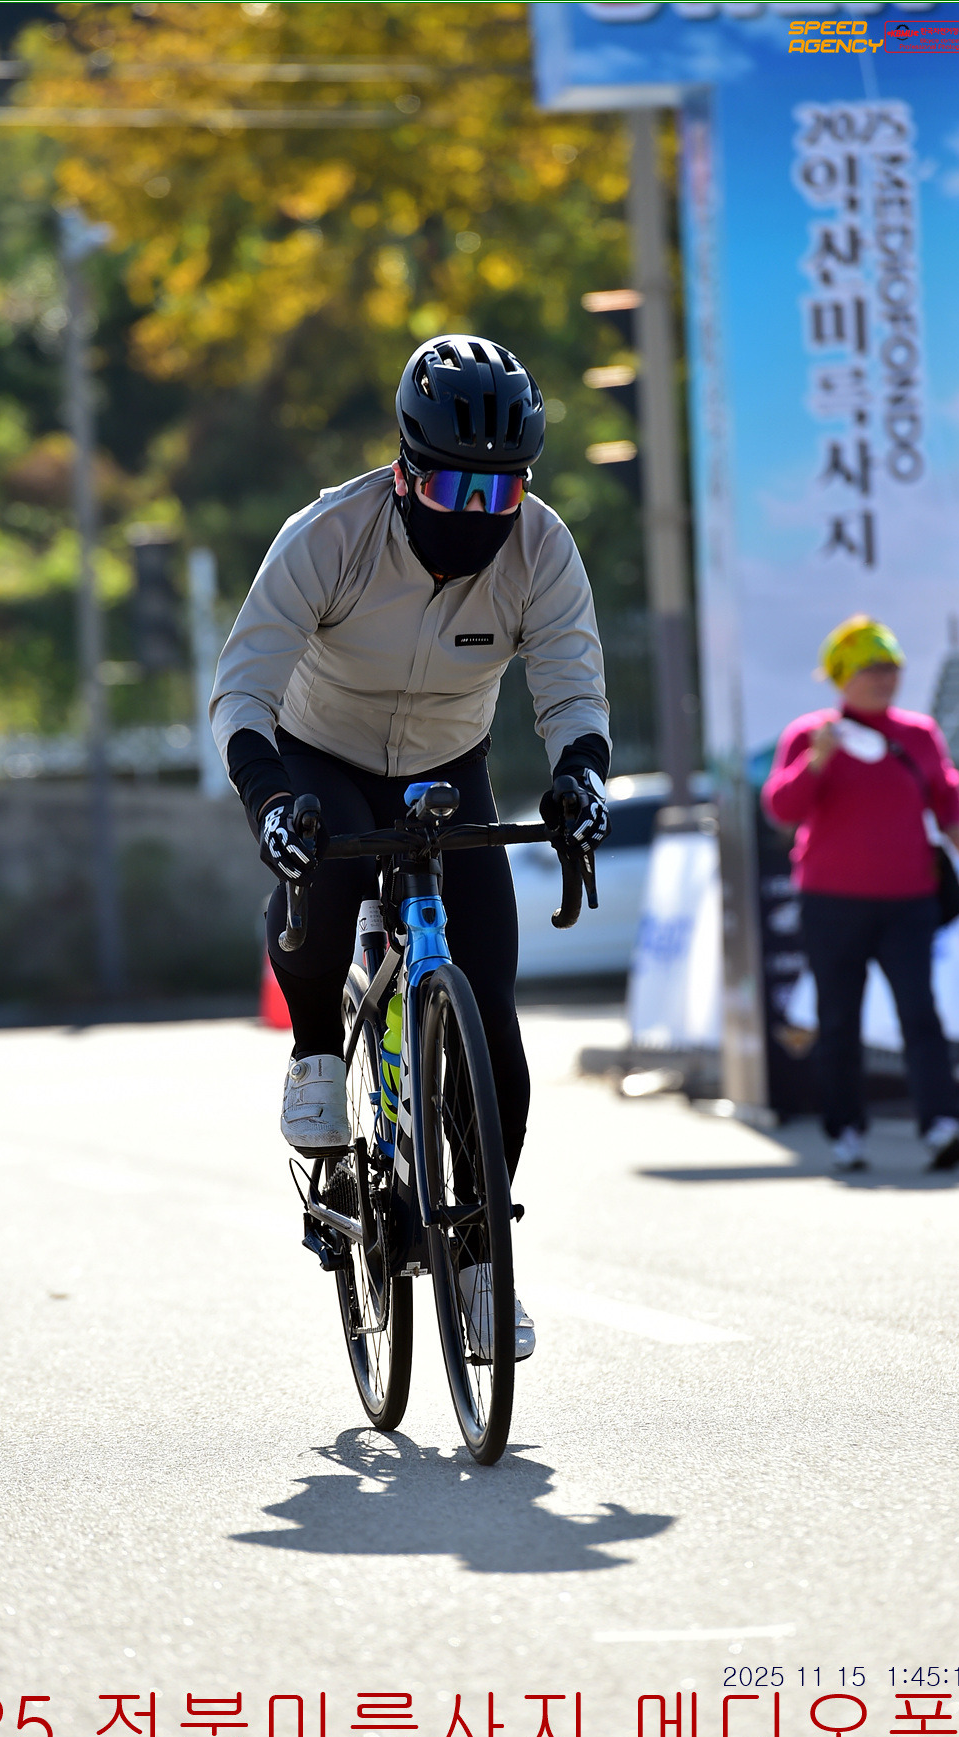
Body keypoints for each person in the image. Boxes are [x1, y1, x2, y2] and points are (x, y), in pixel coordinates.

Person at [210, 334, 613, 1357]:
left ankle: (481, 1260)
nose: (475, 514)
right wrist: (269, 800)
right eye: (450, 488)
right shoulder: (329, 535)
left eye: (500, 492)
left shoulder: (542, 548)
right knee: (321, 865)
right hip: (323, 752)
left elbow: (571, 688)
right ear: (402, 472)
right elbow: (243, 689)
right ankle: (315, 1049)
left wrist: (581, 777)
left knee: (494, 1024)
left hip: (448, 760)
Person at [762, 615, 959, 1173]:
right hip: (831, 904)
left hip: (910, 900)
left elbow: (944, 786)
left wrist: (955, 822)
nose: (885, 678)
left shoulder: (919, 732)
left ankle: (942, 1125)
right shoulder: (810, 733)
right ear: (841, 676)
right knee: (839, 1021)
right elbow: (781, 807)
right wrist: (817, 761)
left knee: (920, 1014)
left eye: (892, 667)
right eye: (872, 668)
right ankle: (846, 1133)